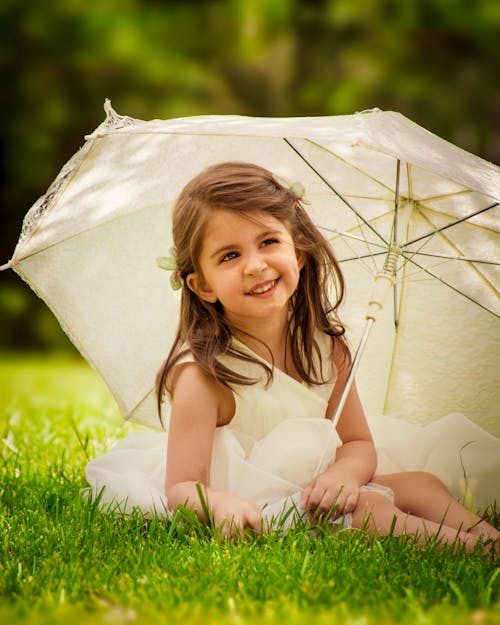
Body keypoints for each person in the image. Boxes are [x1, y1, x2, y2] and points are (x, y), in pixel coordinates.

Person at [149, 161, 497, 550]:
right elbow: (182, 486)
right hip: (258, 504)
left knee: (421, 483)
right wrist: (220, 504)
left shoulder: (327, 350)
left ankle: (489, 536)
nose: (255, 265)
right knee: (369, 510)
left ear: (297, 252)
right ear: (202, 285)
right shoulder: (204, 376)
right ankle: (480, 552)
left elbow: (358, 442)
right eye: (229, 256)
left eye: (268, 242)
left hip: (317, 488)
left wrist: (346, 475)